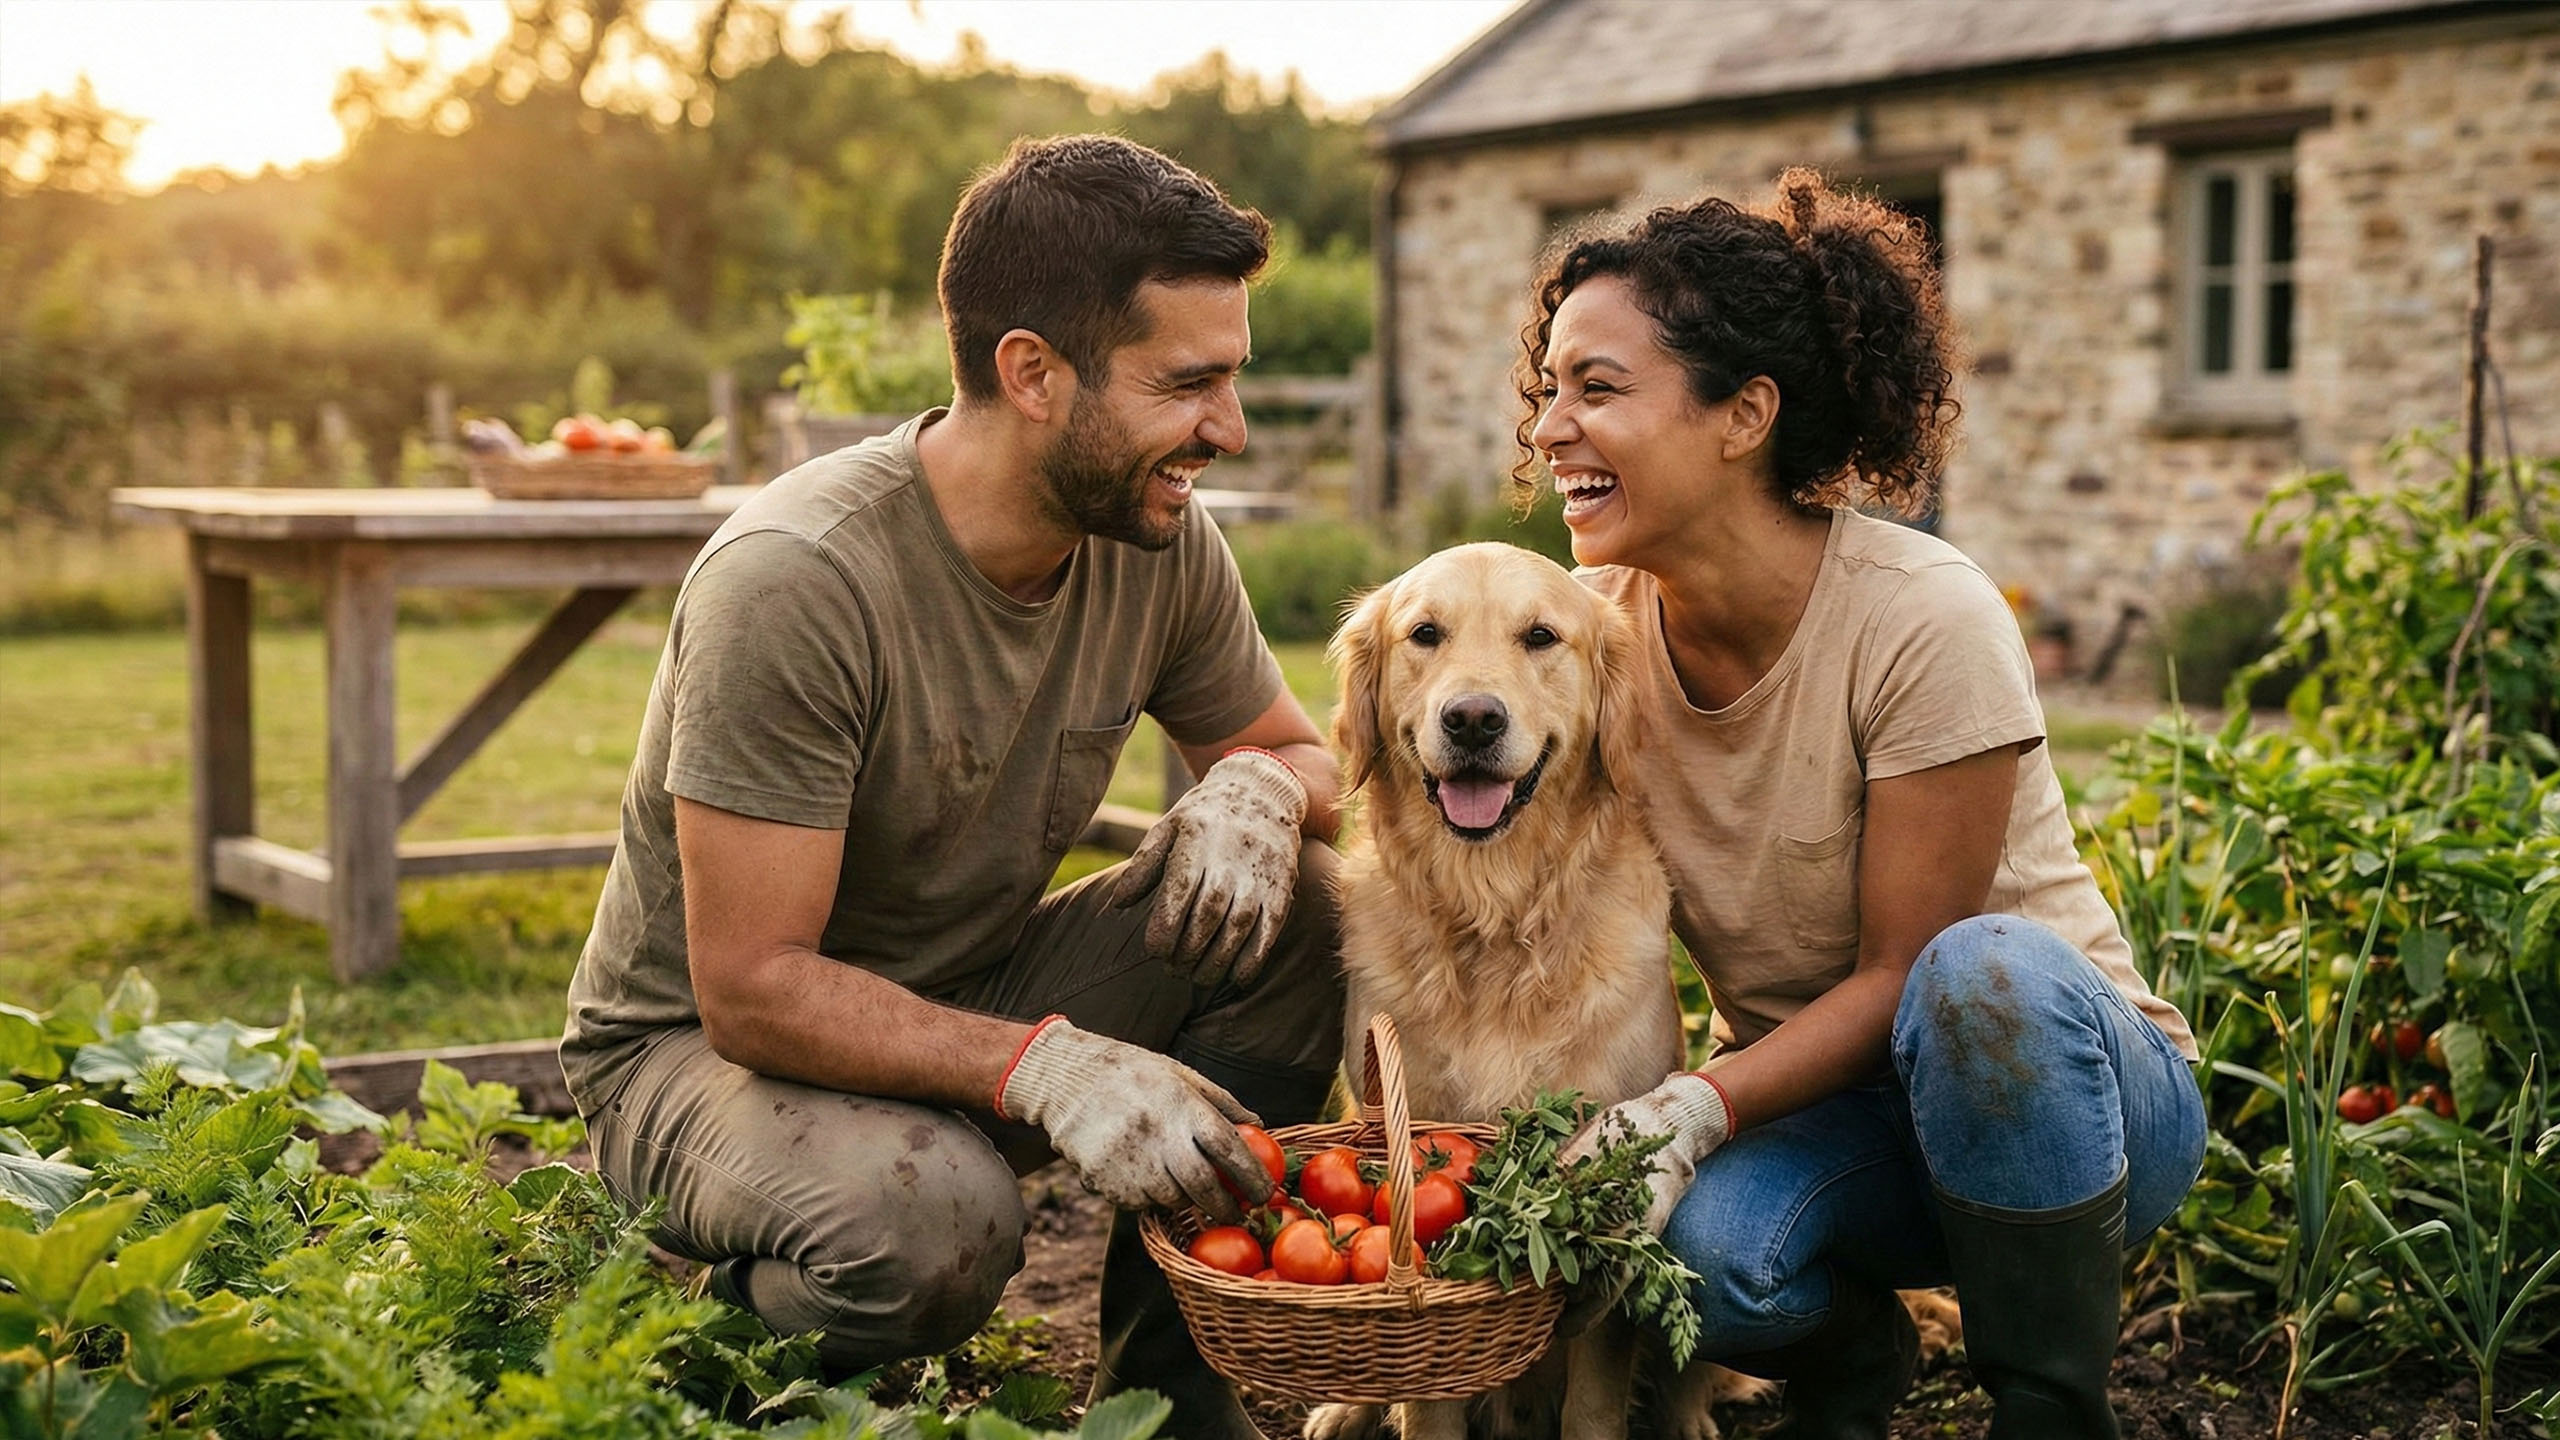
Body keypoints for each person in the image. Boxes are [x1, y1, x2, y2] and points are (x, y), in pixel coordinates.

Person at [559, 134, 1345, 1440]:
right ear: (1031, 372)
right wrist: (1046, 1070)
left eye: (1234, 379)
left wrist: (1257, 792)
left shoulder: (1154, 536)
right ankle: (721, 1365)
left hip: (959, 999)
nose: (1229, 429)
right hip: (695, 1057)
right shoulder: (799, 580)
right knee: (938, 1227)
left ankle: (1170, 1402)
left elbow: (1305, 758)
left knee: (1306, 904)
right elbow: (751, 988)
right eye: (1188, 384)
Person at [1531, 170, 2206, 1439]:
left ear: (1743, 416)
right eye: (1550, 389)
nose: (1551, 428)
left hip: (2079, 1107)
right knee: (1692, 1267)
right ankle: (1853, 1364)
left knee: (1982, 967)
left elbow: (1911, 973)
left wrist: (1695, 1104)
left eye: (1599, 389)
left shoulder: (1919, 617)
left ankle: (2050, 1411)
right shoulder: (1592, 644)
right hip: (1831, 1112)